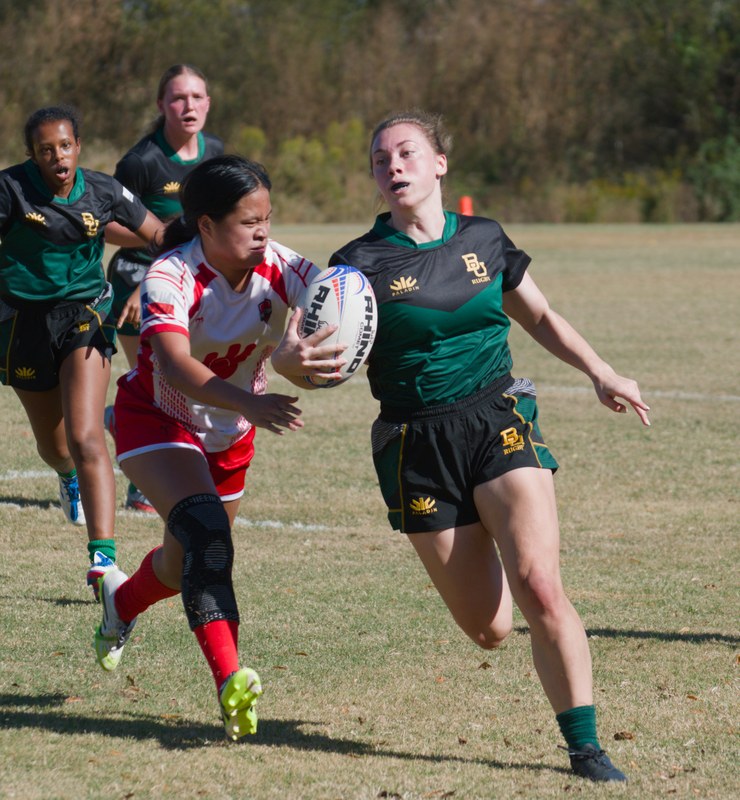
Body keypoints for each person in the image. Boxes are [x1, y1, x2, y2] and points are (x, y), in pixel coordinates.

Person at [324, 110, 650, 782]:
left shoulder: (484, 237)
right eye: (381, 160)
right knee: (490, 628)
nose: (395, 167)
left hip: (497, 416)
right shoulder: (357, 267)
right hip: (417, 441)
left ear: (440, 162)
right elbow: (317, 357)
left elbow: (541, 316)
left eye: (408, 153)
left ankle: (586, 749)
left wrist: (601, 371)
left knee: (540, 584)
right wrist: (297, 361)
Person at [93, 155, 345, 740]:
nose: (263, 233)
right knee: (209, 541)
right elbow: (176, 366)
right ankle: (232, 683)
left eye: (268, 219)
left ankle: (121, 604)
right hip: (159, 418)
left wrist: (328, 339)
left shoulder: (280, 265)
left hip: (230, 433)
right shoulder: (170, 276)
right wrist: (251, 400)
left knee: (181, 565)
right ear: (206, 225)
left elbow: (338, 291)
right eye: (248, 222)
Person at [0, 105, 163, 598]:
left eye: (65, 146)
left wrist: (204, 247)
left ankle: (103, 560)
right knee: (55, 447)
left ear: (78, 146)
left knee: (87, 434)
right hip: (22, 325)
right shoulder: (9, 190)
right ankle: (66, 477)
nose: (57, 157)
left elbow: (158, 233)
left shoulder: (104, 190)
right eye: (46, 150)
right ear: (33, 155)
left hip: (84, 315)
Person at [104, 64, 224, 513]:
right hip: (138, 279)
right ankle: (144, 485)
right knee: (158, 384)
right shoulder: (141, 162)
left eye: (196, 97)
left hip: (192, 280)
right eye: (178, 98)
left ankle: (117, 419)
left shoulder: (216, 151)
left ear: (208, 103)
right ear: (161, 106)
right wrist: (163, 243)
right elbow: (108, 226)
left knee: (184, 379)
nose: (188, 106)